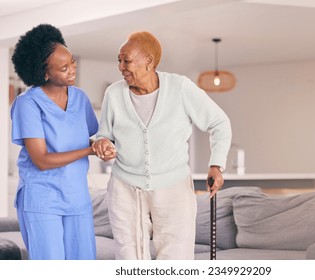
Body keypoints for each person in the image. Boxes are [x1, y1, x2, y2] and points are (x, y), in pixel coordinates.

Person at [92, 31, 232, 260]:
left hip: (173, 185)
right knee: (129, 256)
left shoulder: (180, 88)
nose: (120, 67)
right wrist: (102, 144)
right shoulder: (114, 93)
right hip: (125, 186)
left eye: (126, 60)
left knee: (176, 254)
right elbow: (104, 135)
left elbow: (219, 123)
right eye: (119, 60)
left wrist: (216, 165)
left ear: (149, 61)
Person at [10, 24, 105, 260]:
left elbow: (90, 137)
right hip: (42, 198)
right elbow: (41, 160)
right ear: (44, 73)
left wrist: (102, 144)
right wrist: (90, 150)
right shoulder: (28, 104)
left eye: (73, 62)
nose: (73, 70)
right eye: (64, 68)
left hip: (78, 196)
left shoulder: (80, 98)